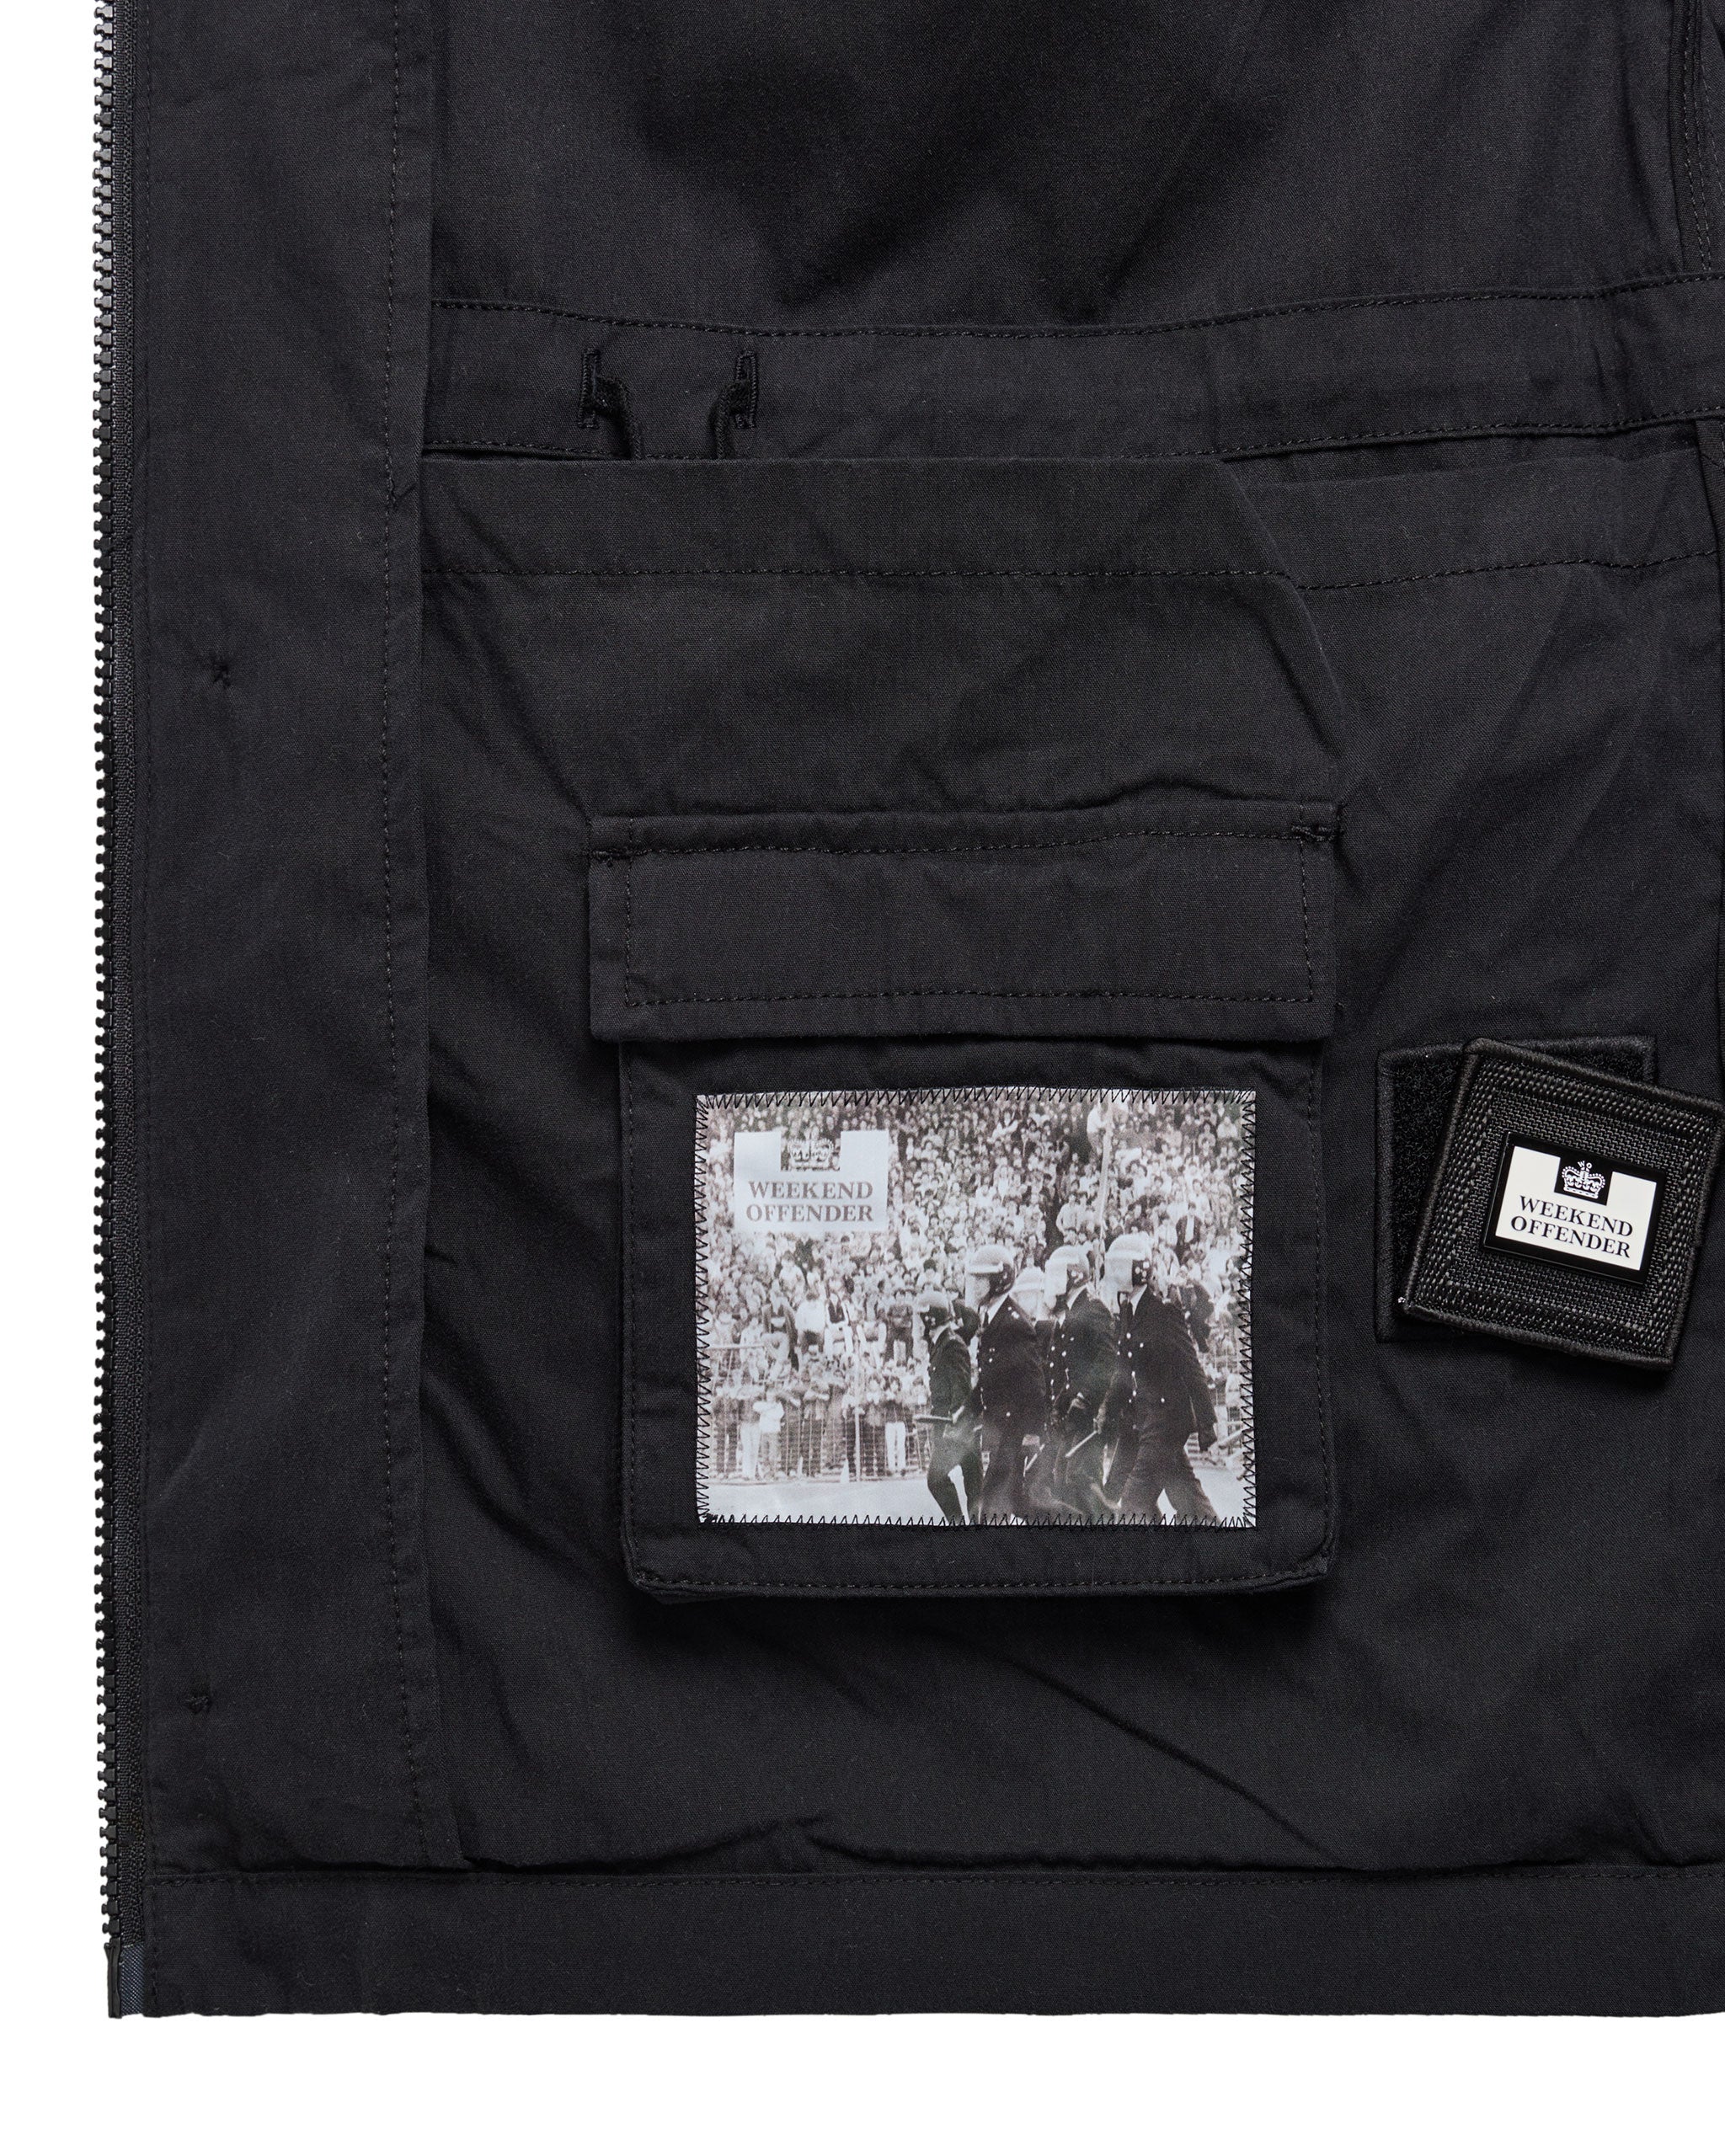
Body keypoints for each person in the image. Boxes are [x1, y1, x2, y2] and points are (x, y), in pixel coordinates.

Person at [1101, 1233, 1217, 1524]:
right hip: (1148, 1419)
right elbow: (1123, 1371)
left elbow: (1191, 1367)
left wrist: (1207, 1424)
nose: (1114, 1273)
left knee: (1134, 1500)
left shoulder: (1163, 1311)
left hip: (1168, 1419)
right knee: (1188, 1498)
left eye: (1120, 1266)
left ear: (1139, 1269)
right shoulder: (1127, 1311)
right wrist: (1108, 1412)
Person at [964, 1244, 1048, 1523]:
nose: (975, 1285)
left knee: (992, 1508)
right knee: (1022, 1504)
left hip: (1013, 1431)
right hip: (1001, 1429)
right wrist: (967, 1410)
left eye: (981, 1279)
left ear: (999, 1281)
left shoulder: (1013, 1322)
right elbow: (990, 1378)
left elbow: (1033, 1384)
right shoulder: (992, 1318)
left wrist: (1033, 1432)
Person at [1043, 1244, 1118, 1522]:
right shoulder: (1072, 1311)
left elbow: (1107, 1358)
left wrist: (1086, 1397)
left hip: (1087, 1414)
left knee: (1081, 1479)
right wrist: (1060, 1405)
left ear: (1073, 1276)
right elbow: (1068, 1370)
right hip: (1071, 1414)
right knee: (1064, 1481)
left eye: (1057, 1274)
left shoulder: (1093, 1308)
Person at [917, 1290, 980, 1524]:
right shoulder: (940, 1344)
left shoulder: (951, 1344)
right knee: (974, 1484)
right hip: (950, 1426)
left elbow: (961, 1389)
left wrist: (954, 1424)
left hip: (954, 1427)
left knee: (937, 1480)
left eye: (921, 1317)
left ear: (931, 1319)